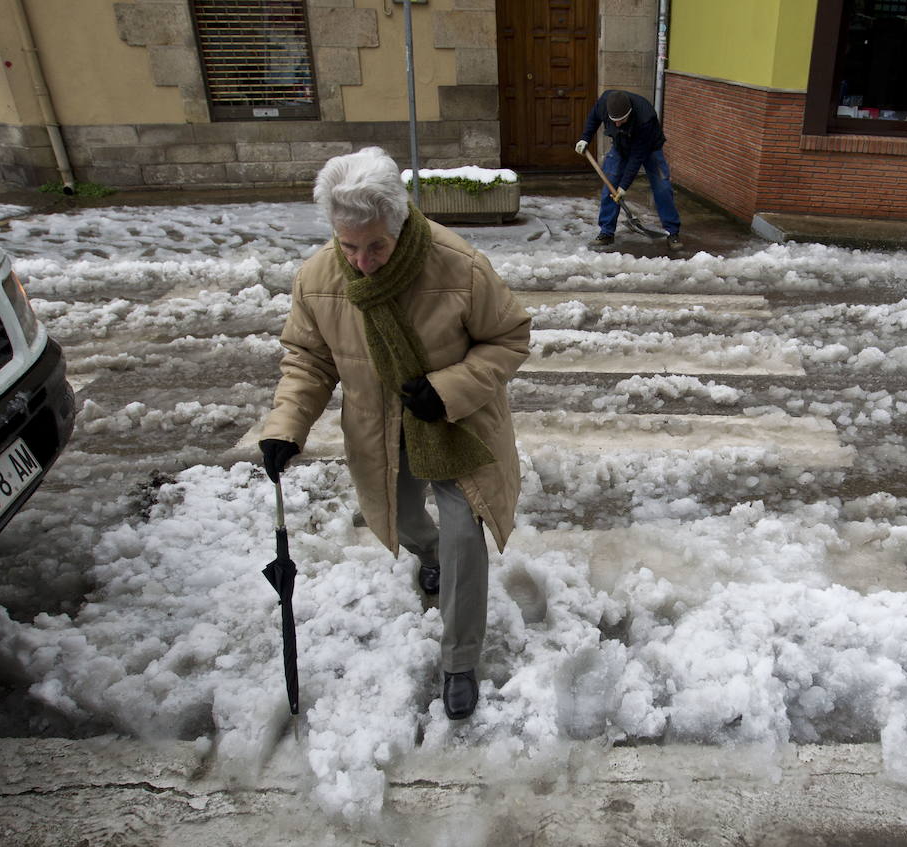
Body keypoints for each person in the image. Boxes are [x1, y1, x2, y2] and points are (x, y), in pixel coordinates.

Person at [258, 147, 531, 721]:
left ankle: (460, 661)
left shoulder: (459, 267)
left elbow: (509, 338)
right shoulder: (317, 279)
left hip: (456, 426)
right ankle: (425, 551)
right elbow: (307, 359)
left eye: (376, 246)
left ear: (400, 221)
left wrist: (449, 387)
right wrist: (287, 425)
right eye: (348, 245)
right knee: (406, 519)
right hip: (379, 432)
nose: (361, 262)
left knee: (463, 538)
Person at [575, 89, 683, 251]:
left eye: (621, 120)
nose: (617, 124)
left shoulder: (645, 117)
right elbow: (593, 119)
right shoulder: (605, 102)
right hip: (620, 146)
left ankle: (672, 232)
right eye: (614, 120)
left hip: (649, 149)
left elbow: (636, 158)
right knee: (609, 186)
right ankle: (606, 232)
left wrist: (624, 186)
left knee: (662, 187)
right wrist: (585, 138)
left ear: (630, 113)